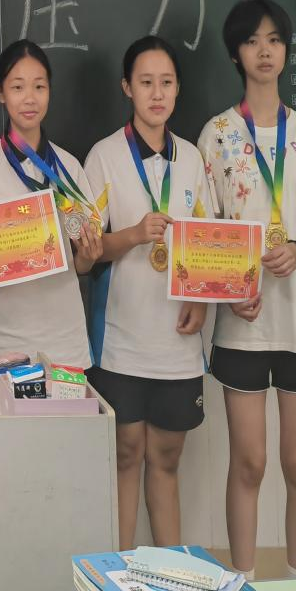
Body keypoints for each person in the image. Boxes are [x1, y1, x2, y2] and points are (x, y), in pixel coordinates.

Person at [197, 0, 296, 580]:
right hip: (243, 325)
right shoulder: (217, 135)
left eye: (275, 40)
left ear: (286, 51)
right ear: (236, 52)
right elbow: (203, 236)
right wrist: (229, 289)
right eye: (253, 40)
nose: (265, 51)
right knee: (249, 463)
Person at [83, 35, 214, 548]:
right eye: (145, 83)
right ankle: (118, 580)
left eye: (166, 82)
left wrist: (202, 300)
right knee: (124, 455)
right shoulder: (104, 157)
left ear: (178, 89)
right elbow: (86, 251)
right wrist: (135, 234)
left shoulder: (193, 160)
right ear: (126, 88)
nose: (156, 94)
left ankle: (170, 578)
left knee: (166, 459)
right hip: (121, 339)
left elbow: (210, 245)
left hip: (177, 343)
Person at [0, 39, 102, 366]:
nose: (30, 98)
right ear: (0, 93)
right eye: (18, 87)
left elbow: (81, 263)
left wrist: (88, 257)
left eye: (39, 86)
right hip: (7, 339)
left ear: (50, 91)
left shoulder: (69, 167)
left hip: (67, 339)